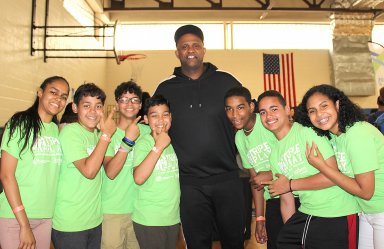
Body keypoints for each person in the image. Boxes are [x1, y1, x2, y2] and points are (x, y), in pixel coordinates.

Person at [155, 24, 245, 248]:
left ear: (204, 49)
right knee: (197, 244)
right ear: (177, 52)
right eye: (184, 46)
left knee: (234, 241)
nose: (190, 50)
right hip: (188, 183)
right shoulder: (165, 88)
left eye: (195, 45)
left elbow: (244, 116)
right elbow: (156, 127)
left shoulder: (226, 80)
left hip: (227, 178)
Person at [258, 90, 359, 249]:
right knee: (283, 241)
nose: (268, 115)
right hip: (309, 212)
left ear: (287, 110)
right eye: (263, 112)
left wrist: (290, 184)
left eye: (274, 109)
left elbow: (332, 176)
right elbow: (286, 200)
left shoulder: (307, 132)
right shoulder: (275, 154)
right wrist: (290, 228)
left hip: (336, 210)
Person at [294, 84, 384, 249]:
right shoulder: (336, 136)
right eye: (312, 110)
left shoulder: (357, 134)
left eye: (324, 106)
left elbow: (366, 191)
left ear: (337, 105)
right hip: (366, 211)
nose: (319, 114)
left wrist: (323, 167)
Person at [225, 86, 300, 249]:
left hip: (297, 195)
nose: (235, 115)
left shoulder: (268, 121)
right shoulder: (239, 137)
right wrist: (259, 218)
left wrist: (269, 174)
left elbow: (296, 157)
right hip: (273, 199)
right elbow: (256, 182)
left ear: (251, 107)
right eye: (229, 109)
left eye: (240, 108)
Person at [0, 76, 69, 249]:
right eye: (53, 92)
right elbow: (6, 176)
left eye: (63, 96)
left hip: (45, 217)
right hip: (16, 216)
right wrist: (24, 224)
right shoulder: (20, 123)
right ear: (40, 92)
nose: (58, 99)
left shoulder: (56, 129)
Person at [51, 83, 116, 249]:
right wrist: (106, 135)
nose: (93, 112)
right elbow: (89, 171)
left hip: (93, 220)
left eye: (98, 106)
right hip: (71, 223)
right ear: (74, 108)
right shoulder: (71, 132)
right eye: (86, 106)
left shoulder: (96, 135)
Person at [101, 81, 150, 249]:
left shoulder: (148, 132)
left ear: (141, 104)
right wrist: (128, 141)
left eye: (134, 100)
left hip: (140, 211)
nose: (129, 104)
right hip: (112, 211)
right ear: (117, 103)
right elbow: (111, 172)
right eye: (124, 99)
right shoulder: (108, 133)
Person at [132, 94, 180, 249]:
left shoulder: (172, 143)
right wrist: (158, 146)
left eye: (165, 114)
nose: (161, 120)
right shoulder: (144, 143)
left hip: (171, 217)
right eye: (154, 116)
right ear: (146, 119)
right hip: (150, 219)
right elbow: (138, 178)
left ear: (171, 117)